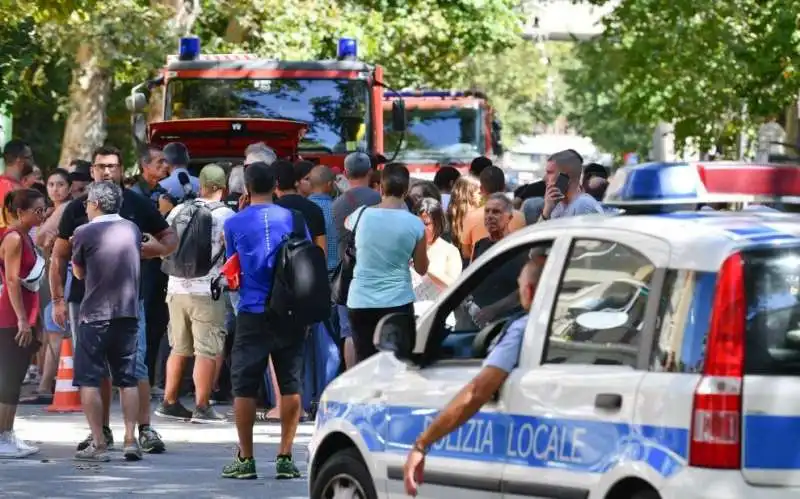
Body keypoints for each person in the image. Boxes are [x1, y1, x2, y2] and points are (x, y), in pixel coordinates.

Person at [49, 145, 178, 455]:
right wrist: (57, 299)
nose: (106, 171)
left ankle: (143, 429)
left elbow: (170, 237)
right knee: (97, 372)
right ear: (91, 170)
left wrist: (154, 250)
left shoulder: (135, 203)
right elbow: (58, 256)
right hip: (85, 301)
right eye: (100, 166)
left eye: (112, 166)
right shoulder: (77, 208)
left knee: (135, 369)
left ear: (122, 170)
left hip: (131, 300)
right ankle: (101, 431)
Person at [402, 249, 548, 496]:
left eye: (520, 285)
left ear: (530, 292)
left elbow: (477, 391)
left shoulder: (523, 329)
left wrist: (422, 444)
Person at [222, 161, 306, 480]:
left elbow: (234, 269)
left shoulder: (234, 223)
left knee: (243, 385)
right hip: (289, 311)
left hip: (252, 309)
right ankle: (285, 456)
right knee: (290, 382)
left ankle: (246, 459)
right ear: (275, 186)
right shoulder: (294, 218)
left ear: (246, 188)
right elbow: (305, 256)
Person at [71, 181, 143, 462]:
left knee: (89, 378)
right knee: (127, 380)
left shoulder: (84, 232)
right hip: (127, 312)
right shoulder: (132, 229)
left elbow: (78, 272)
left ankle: (99, 443)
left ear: (96, 204)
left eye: (88, 202)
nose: (86, 207)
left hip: (95, 314)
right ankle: (130, 439)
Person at [156, 164, 234, 423]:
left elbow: (165, 242)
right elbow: (232, 251)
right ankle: (202, 406)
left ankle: (169, 402)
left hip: (176, 288)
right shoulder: (227, 215)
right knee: (206, 350)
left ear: (200, 185)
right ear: (222, 189)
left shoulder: (178, 209)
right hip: (207, 289)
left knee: (178, 348)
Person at [346, 163, 429, 363]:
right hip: (397, 301)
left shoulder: (361, 215)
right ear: (406, 189)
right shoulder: (415, 224)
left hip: (360, 300)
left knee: (365, 362)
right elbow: (421, 268)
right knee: (398, 363)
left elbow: (346, 223)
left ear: (381, 187)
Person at [0, 188, 46, 458]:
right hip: (9, 316)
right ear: (20, 212)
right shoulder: (15, 238)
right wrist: (21, 320)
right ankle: (2, 435)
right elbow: (12, 280)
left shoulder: (26, 237)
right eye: (37, 210)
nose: (42, 214)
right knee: (9, 378)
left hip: (22, 314)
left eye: (44, 209)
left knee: (15, 377)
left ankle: (8, 433)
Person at [331, 153, 381, 368]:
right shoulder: (380, 200)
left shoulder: (338, 204)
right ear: (370, 172)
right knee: (377, 330)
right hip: (377, 271)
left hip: (348, 274)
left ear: (345, 173)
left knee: (348, 331)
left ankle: (352, 379)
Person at [31, 169, 73, 401]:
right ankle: (48, 383)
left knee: (56, 330)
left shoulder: (65, 209)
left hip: (63, 276)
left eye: (60, 184)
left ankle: (46, 386)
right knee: (52, 331)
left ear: (68, 187)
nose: (55, 189)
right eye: (51, 185)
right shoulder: (52, 211)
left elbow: (41, 238)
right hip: (51, 276)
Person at [459, 166, 525, 260]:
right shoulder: (520, 217)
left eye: (496, 212)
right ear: (504, 187)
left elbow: (466, 254)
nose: (490, 217)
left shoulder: (470, 217)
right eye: (487, 212)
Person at [411, 198, 461, 301]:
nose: (420, 228)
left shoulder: (450, 251)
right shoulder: (405, 247)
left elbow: (454, 287)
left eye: (426, 224)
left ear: (437, 223)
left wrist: (425, 267)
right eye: (416, 223)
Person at [275, 160, 326, 254]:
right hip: (308, 264)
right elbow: (322, 249)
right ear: (296, 182)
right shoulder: (315, 208)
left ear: (275, 183)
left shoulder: (271, 210)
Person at [540, 150, 604, 221]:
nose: (544, 178)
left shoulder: (583, 205)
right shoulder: (557, 205)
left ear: (564, 176)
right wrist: (546, 212)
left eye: (550, 172)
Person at [308, 165, 338, 273]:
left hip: (310, 271)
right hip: (334, 271)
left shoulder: (303, 208)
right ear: (330, 184)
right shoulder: (336, 208)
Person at [0, 140, 34, 236]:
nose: (32, 162)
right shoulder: (11, 189)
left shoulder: (16, 186)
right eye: (30, 157)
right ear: (20, 160)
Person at [447, 175, 482, 260]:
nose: (482, 196)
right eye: (479, 193)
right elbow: (467, 254)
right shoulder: (476, 217)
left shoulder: (449, 214)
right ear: (468, 195)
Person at [472, 193, 514, 262]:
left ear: (509, 218)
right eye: (487, 211)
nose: (489, 216)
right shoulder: (479, 245)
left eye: (496, 212)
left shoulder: (516, 245)